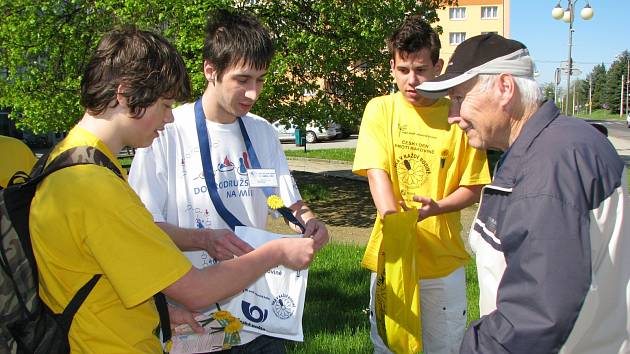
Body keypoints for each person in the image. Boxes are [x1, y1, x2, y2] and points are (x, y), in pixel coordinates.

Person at [29, 26, 316, 353]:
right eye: (165, 105)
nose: (168, 119)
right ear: (125, 94)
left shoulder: (72, 160)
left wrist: (161, 311)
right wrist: (277, 252)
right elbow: (197, 291)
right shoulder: (93, 186)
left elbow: (101, 275)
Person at [128, 9, 329, 352]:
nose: (253, 93)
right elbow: (142, 230)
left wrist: (311, 222)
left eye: (261, 80)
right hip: (194, 318)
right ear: (211, 70)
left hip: (260, 314)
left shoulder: (262, 132)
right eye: (243, 79)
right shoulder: (165, 130)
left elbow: (286, 201)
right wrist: (203, 239)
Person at [417, 33, 630, 354]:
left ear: (505, 88)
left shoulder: (547, 169)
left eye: (459, 98)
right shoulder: (562, 143)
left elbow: (534, 316)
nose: (453, 116)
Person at [352, 15, 490, 354]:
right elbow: (376, 171)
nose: (411, 81)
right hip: (393, 257)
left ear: (438, 66)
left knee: (444, 348)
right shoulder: (380, 109)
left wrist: (437, 208)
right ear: (392, 67)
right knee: (387, 346)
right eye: (403, 70)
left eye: (421, 70)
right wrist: (395, 222)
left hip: (441, 266)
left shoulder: (457, 116)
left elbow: (472, 187)